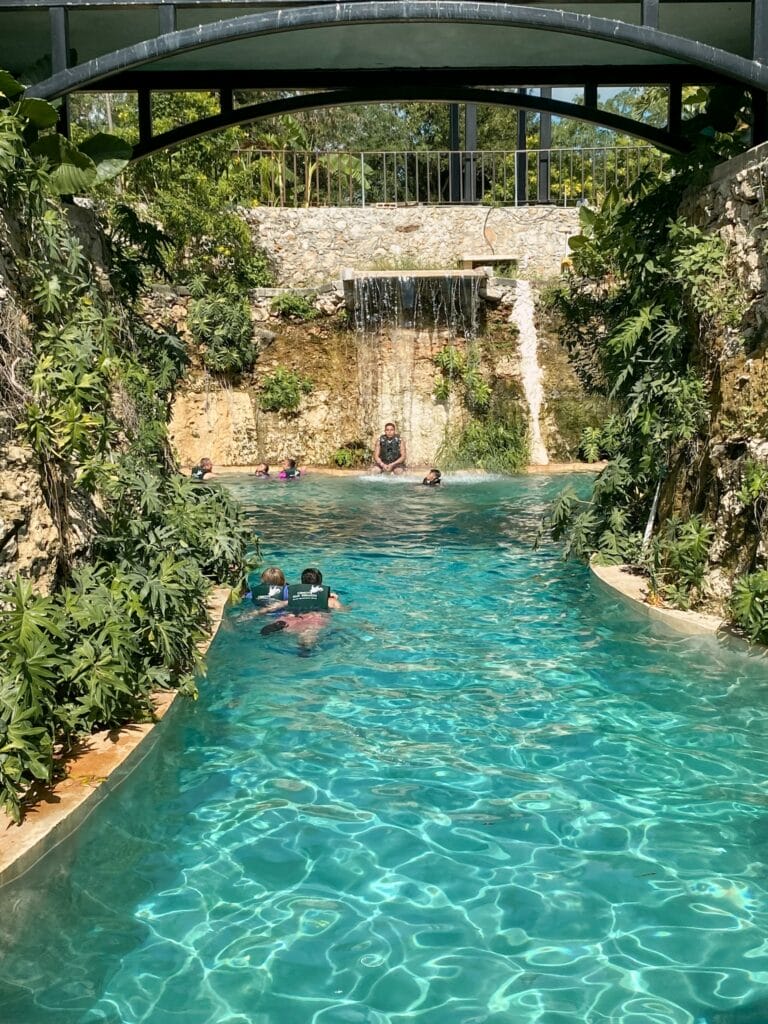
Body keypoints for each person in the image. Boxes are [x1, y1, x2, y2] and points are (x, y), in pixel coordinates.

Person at [260, 566, 344, 638]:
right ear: (320, 583)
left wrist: (254, 613)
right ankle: (304, 647)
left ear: (301, 583)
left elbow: (276, 605)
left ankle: (279, 624)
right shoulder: (330, 601)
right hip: (313, 621)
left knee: (287, 619)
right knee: (308, 635)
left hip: (291, 619)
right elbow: (344, 612)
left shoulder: (295, 597)